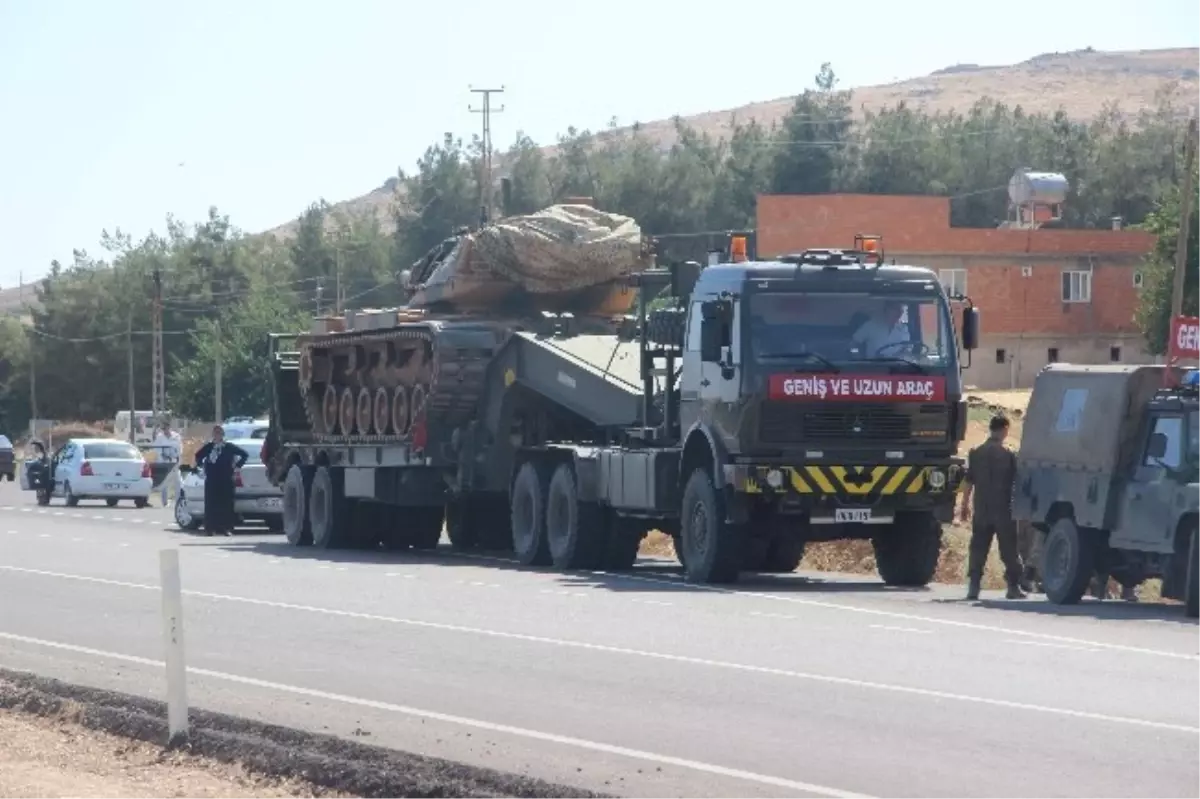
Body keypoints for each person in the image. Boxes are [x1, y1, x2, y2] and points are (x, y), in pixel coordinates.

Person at [959, 414, 1027, 601]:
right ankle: (1013, 587)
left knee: (978, 548)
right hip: (1003, 509)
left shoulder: (976, 453)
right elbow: (1018, 482)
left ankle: (974, 587)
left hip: (981, 509)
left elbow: (968, 482)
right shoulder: (1008, 454)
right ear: (1005, 429)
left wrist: (964, 505)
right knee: (1009, 550)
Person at [193, 425, 248, 537]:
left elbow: (244, 455)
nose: (217, 435)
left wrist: (237, 466)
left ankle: (226, 528)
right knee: (211, 504)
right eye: (215, 433)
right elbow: (198, 456)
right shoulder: (209, 447)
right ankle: (210, 528)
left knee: (226, 504)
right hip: (212, 479)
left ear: (223, 435)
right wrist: (202, 466)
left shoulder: (229, 447)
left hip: (226, 478)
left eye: (219, 433)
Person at [153, 420, 183, 507]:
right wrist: (163, 456)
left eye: (166, 427)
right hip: (164, 462)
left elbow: (180, 448)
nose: (165, 430)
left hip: (174, 462)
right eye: (163, 428)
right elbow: (157, 449)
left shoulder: (176, 436)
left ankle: (178, 501)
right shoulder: (160, 437)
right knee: (165, 483)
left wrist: (176, 456)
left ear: (169, 427)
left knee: (178, 482)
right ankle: (165, 502)